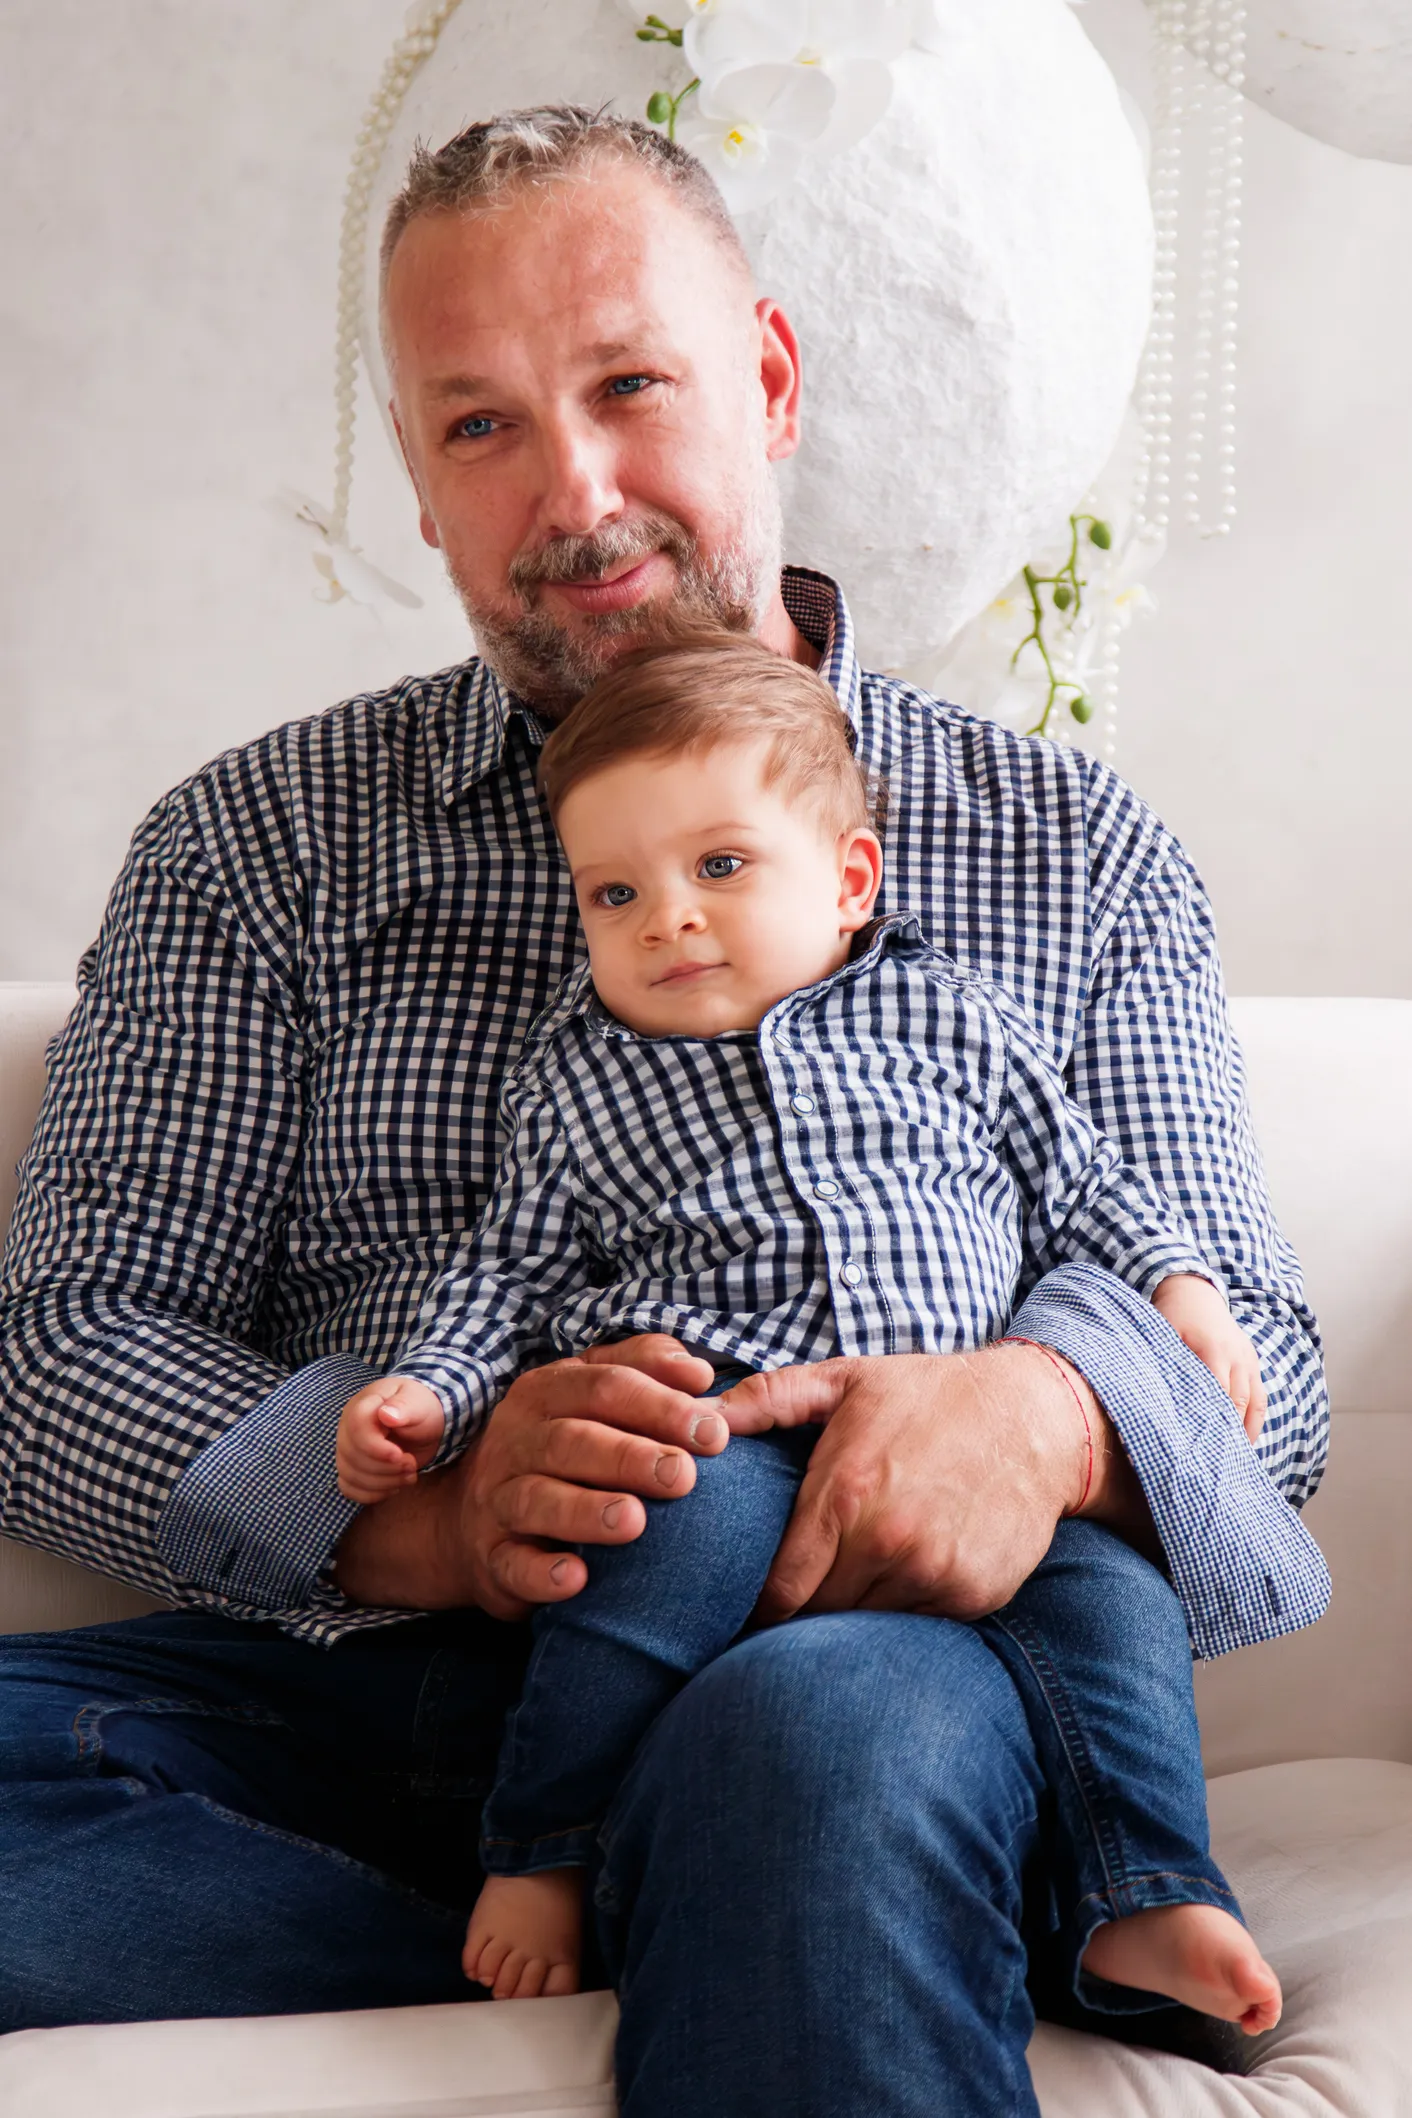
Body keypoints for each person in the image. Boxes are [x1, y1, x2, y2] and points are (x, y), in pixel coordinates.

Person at [0, 106, 1327, 2114]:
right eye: (481, 426)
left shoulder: (1067, 850)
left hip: (846, 1652)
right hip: (378, 1704)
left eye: (629, 385)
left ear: (770, 379)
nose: (575, 493)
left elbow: (1266, 1380)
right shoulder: (257, 846)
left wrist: (1052, 1412)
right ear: (420, 487)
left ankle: (758, 1889)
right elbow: (62, 1352)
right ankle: (670, 1919)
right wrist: (432, 1517)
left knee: (810, 1759)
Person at [337, 630, 1283, 2034]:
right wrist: (430, 1389)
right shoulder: (584, 1078)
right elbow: (508, 1269)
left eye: (719, 866)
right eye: (615, 892)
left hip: (971, 1444)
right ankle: (543, 1848)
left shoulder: (951, 1018)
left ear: (849, 881)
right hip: (717, 1419)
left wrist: (1180, 1287)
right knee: (640, 1554)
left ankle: (1147, 1886)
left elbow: (1084, 1183)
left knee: (1113, 1608)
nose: (666, 919)